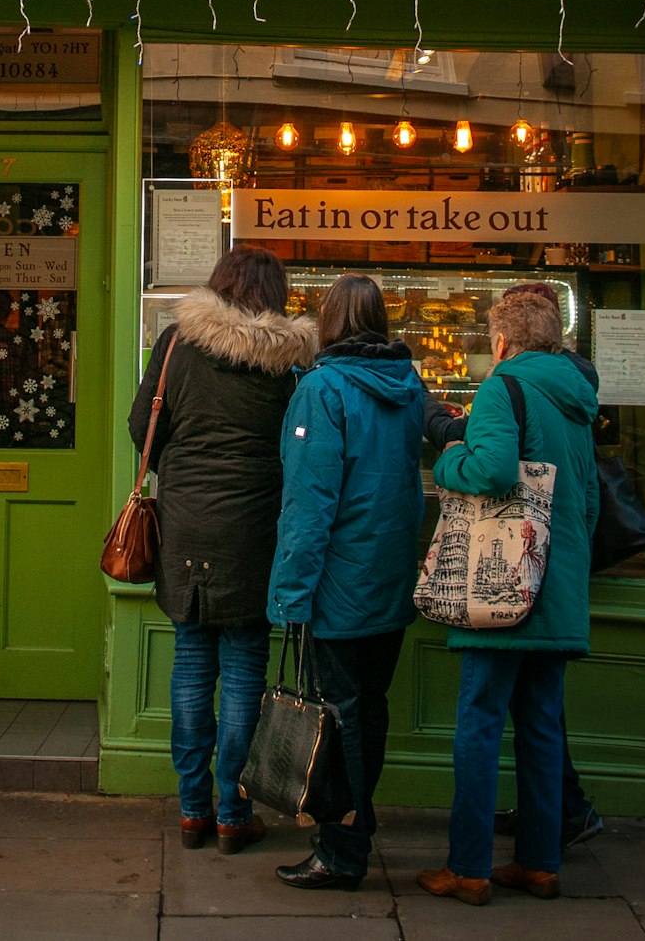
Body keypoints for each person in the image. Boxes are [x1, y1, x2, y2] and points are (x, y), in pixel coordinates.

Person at [128, 245, 315, 854]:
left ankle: (191, 810)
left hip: (185, 525)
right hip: (255, 531)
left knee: (190, 665)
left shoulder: (179, 344)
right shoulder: (289, 364)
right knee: (242, 674)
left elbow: (142, 426)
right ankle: (233, 812)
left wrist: (178, 471)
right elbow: (301, 449)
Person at [417, 288, 599, 906]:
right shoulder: (577, 397)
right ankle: (540, 863)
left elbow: (492, 470)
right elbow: (589, 499)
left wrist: (447, 460)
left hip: (502, 584)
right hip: (559, 584)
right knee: (543, 726)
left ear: (502, 341)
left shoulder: (505, 387)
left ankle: (468, 868)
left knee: (479, 724)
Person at [267, 273, 426, 892]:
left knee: (339, 717)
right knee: (370, 709)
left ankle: (342, 847)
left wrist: (289, 595)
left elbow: (309, 504)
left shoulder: (323, 388)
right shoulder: (408, 384)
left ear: (328, 321)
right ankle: (360, 820)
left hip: (337, 584)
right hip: (389, 575)